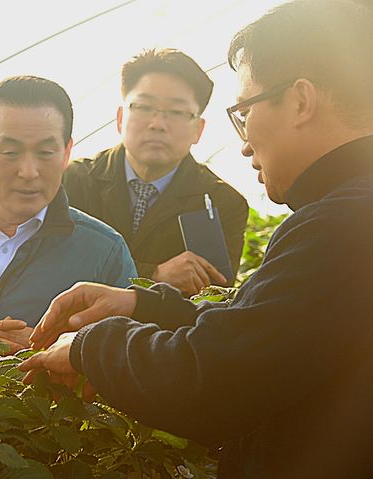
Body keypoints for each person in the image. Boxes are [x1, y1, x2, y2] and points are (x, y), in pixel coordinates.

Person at [21, 1, 373, 477]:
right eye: (144, 108)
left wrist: (90, 345)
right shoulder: (348, 207)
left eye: (244, 112)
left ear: (301, 101)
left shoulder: (340, 223)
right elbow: (265, 325)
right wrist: (143, 305)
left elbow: (215, 378)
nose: (244, 142)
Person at [0, 76, 136, 353]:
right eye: (10, 152)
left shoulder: (105, 251)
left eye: (46, 152)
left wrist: (54, 350)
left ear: (67, 152)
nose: (28, 171)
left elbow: (127, 358)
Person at [63, 49, 248, 296]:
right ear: (120, 118)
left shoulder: (221, 203)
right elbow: (52, 267)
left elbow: (210, 299)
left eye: (177, 112)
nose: (157, 124)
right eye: (144, 106)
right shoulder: (72, 180)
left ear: (198, 130)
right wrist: (154, 275)